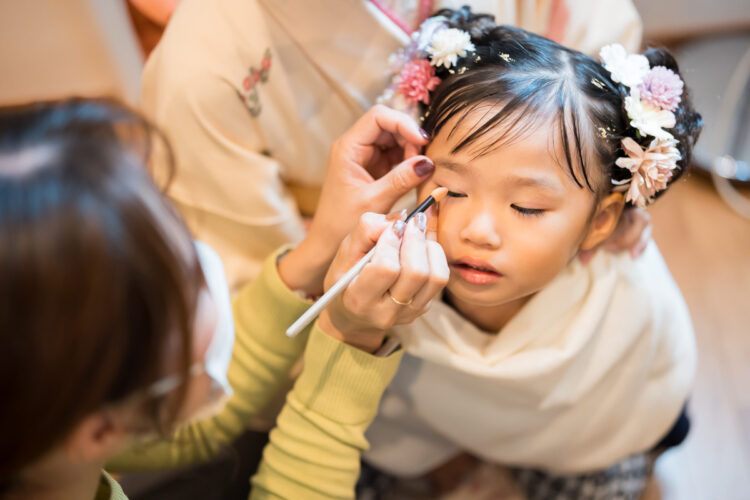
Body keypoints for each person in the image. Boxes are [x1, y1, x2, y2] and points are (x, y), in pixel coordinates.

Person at [0, 99, 448, 500]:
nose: (205, 260)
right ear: (99, 431)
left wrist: (318, 250)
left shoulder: (39, 440)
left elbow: (185, 430)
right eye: (188, 278)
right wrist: (350, 339)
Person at [357, 7, 703, 499]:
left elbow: (642, 391)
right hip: (430, 436)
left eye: (526, 207)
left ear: (600, 221)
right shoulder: (392, 264)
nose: (478, 232)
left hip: (582, 448)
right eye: (454, 190)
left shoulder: (625, 300)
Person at [140, 0, 644, 292]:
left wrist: (597, 178)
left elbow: (597, 45)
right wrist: (331, 246)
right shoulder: (201, 70)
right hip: (365, 283)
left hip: (554, 244)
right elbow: (250, 281)